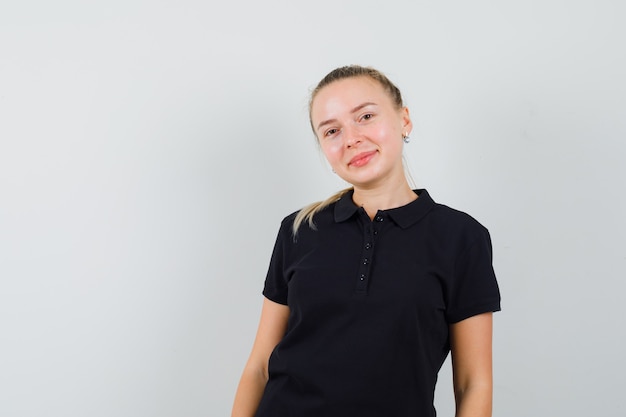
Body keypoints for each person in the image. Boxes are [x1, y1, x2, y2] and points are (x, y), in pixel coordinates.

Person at [231, 65, 501, 417]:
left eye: (366, 116)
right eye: (331, 131)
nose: (351, 139)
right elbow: (260, 367)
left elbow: (473, 383)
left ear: (404, 120)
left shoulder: (461, 238)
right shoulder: (299, 230)